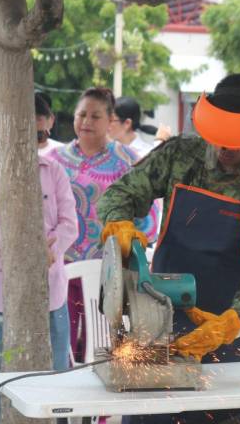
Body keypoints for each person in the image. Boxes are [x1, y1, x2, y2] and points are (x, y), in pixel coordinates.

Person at [98, 73, 240, 424]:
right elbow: (119, 194)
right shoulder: (179, 156)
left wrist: (231, 322)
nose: (224, 150)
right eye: (219, 138)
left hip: (227, 329)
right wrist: (119, 223)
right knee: (150, 413)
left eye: (235, 142)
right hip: (158, 315)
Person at [0, 144, 78, 424]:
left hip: (51, 288)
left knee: (55, 379)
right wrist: (32, 248)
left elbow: (69, 224)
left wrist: (48, 248)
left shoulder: (52, 169)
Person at [47, 87, 158, 362]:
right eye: (81, 114)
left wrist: (129, 249)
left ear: (110, 120)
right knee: (65, 343)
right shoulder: (53, 161)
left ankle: (105, 404)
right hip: (63, 265)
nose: (86, 122)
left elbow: (150, 215)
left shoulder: (129, 160)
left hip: (111, 271)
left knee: (107, 342)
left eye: (95, 116)